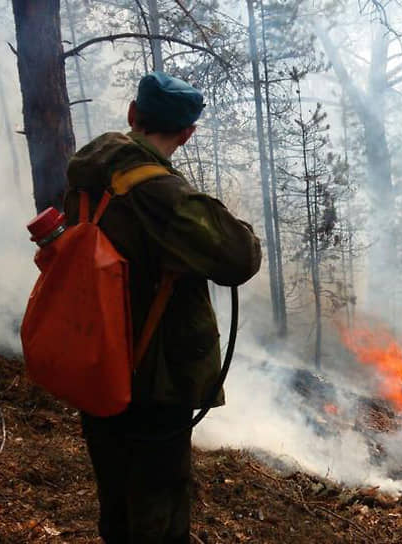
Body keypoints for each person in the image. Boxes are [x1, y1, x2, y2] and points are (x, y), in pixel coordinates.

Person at [62, 71, 261, 543]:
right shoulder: (158, 192)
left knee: (116, 498)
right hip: (153, 377)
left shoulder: (89, 179)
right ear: (187, 134)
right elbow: (239, 256)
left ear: (133, 115)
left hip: (96, 362)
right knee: (158, 508)